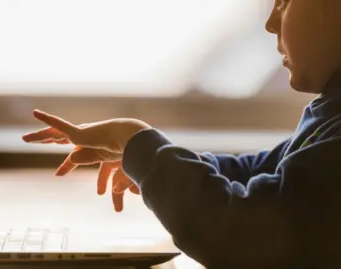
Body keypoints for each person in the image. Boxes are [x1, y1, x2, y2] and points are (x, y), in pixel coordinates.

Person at [22, 0, 341, 268]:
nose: (271, 23)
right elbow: (254, 172)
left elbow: (234, 230)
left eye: (284, 2)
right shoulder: (330, 114)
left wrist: (137, 141)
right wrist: (145, 158)